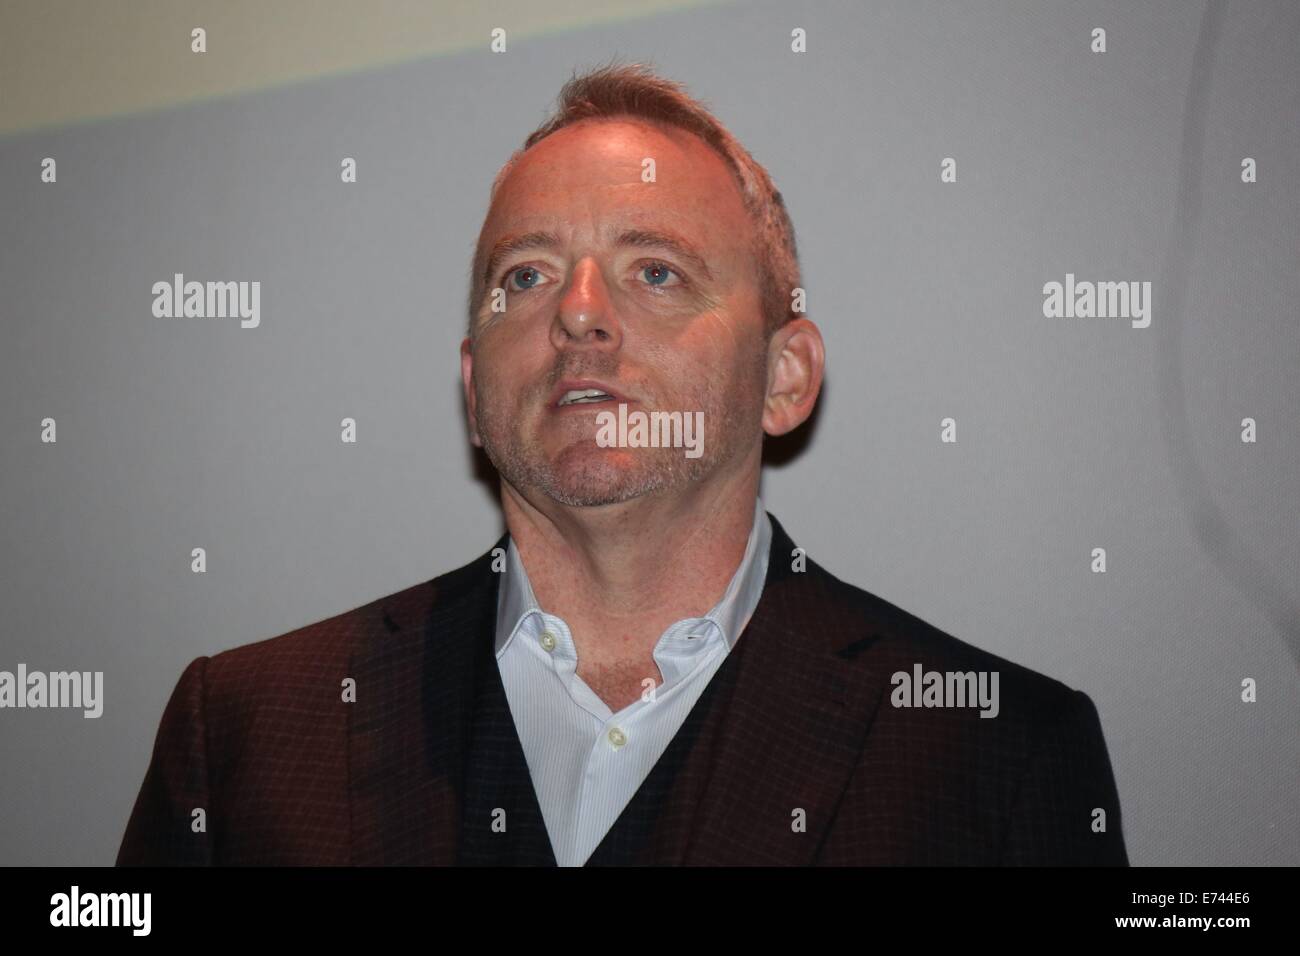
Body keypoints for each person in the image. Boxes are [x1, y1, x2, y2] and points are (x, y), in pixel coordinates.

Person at [117, 61, 1128, 866]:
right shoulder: (244, 728)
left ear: (785, 375)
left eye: (655, 269)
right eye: (527, 274)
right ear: (474, 388)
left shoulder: (995, 753)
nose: (579, 311)